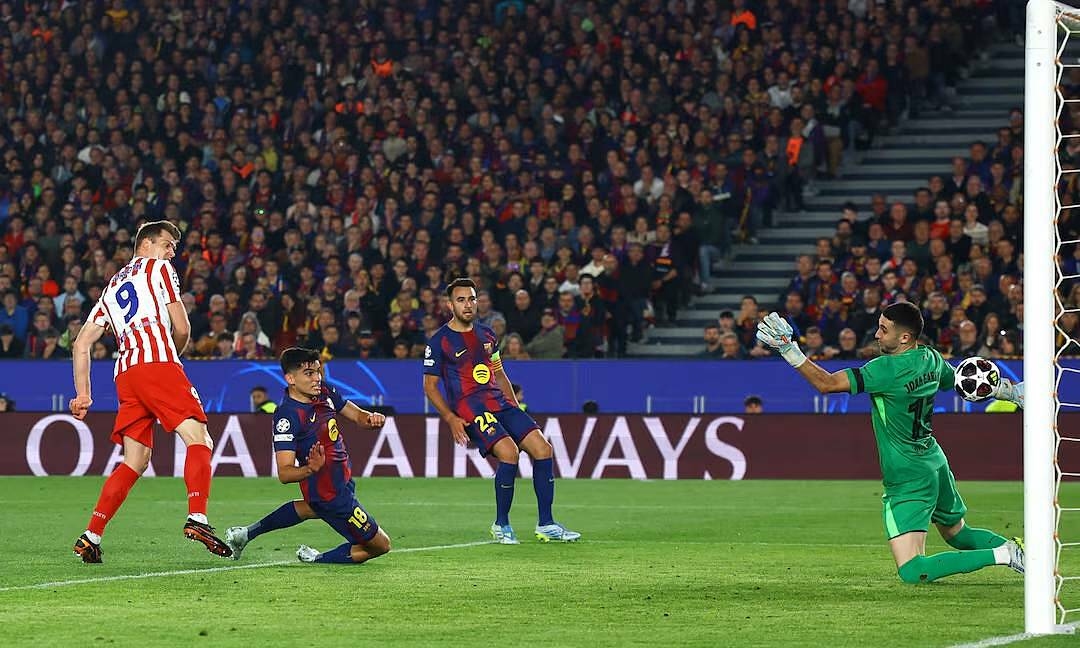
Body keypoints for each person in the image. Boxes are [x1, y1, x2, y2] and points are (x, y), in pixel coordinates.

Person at [754, 302, 1026, 583]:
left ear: (904, 337)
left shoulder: (884, 369)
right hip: (934, 461)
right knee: (959, 534)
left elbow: (827, 384)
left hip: (907, 473)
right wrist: (1007, 391)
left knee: (912, 570)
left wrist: (789, 349)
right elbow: (962, 381)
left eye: (884, 330)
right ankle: (1029, 556)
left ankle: (1005, 554)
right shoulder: (931, 358)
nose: (877, 335)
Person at [69, 221, 232, 563]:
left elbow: (81, 343)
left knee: (135, 460)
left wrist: (83, 394)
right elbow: (182, 327)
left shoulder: (111, 288)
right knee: (199, 438)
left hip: (126, 374)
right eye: (168, 244)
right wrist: (172, 355)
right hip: (157, 363)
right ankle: (198, 517)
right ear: (146, 244)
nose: (172, 252)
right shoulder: (159, 269)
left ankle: (91, 535)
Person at [423, 277, 580, 544]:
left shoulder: (487, 335)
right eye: (461, 300)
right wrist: (450, 418)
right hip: (471, 407)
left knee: (543, 449)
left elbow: (498, 373)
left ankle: (546, 524)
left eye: (471, 299)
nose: (467, 305)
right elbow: (429, 386)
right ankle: (501, 524)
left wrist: (516, 410)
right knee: (509, 453)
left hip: (500, 402)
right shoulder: (439, 342)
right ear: (450, 305)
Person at [224, 347, 391, 563]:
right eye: (309, 373)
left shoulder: (324, 391)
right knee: (380, 545)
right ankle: (317, 558)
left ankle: (245, 534)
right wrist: (310, 468)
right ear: (290, 379)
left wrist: (372, 419)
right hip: (330, 494)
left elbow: (358, 416)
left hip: (340, 481)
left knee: (308, 509)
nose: (317, 378)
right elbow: (285, 473)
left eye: (318, 372)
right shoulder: (288, 416)